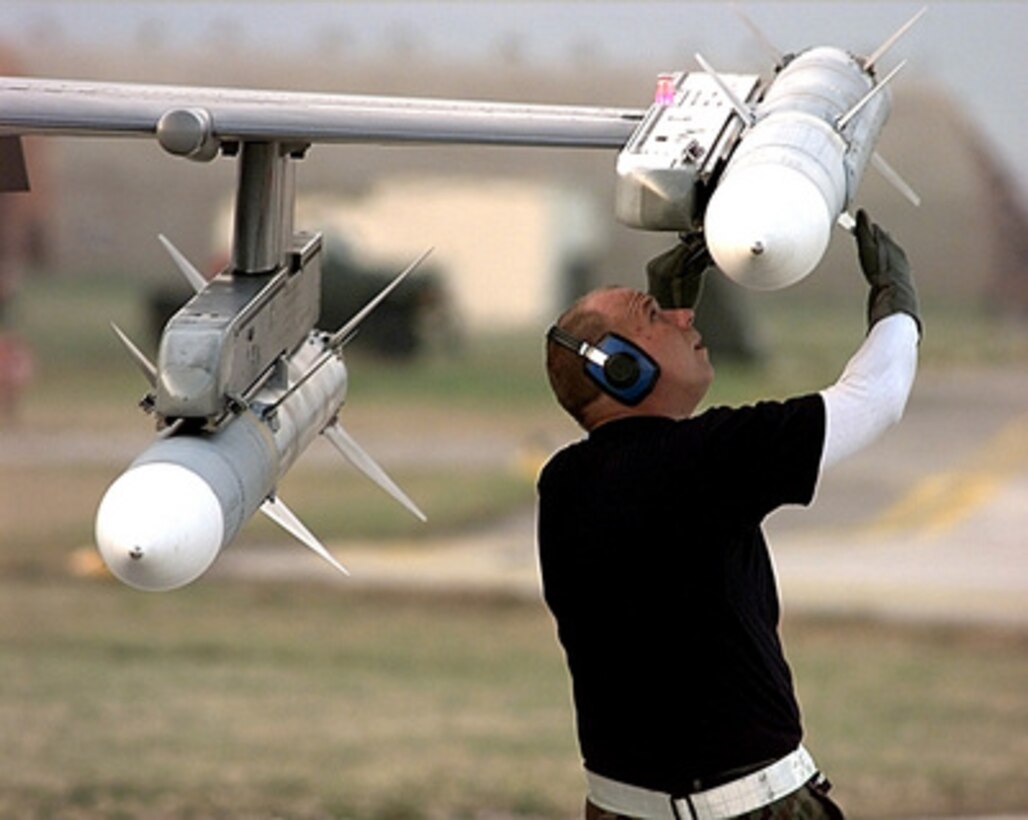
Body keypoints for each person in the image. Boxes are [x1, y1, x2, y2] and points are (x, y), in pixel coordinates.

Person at [537, 211, 921, 820]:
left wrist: (665, 308)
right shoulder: (703, 461)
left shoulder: (564, 483)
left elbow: (655, 455)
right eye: (657, 316)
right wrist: (896, 303)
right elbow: (877, 396)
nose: (687, 316)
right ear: (620, 369)